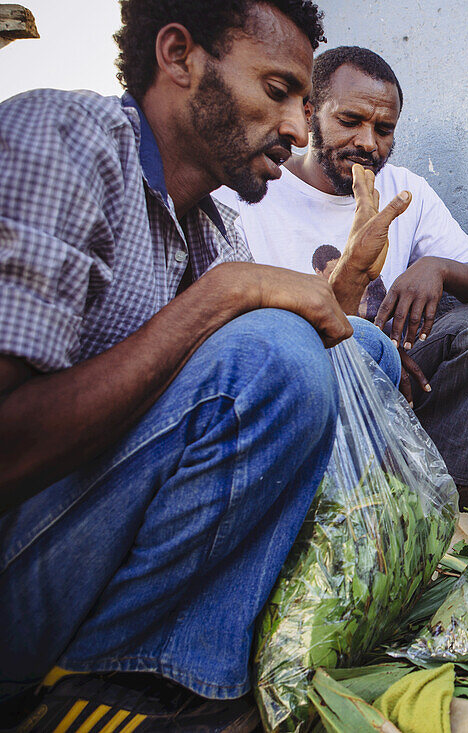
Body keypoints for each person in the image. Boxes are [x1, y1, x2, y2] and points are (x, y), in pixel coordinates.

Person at [0, 1, 410, 728]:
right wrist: (219, 299)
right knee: (273, 352)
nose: (294, 128)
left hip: (87, 546)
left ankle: (195, 667)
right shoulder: (64, 141)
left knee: (365, 349)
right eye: (277, 91)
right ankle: (103, 679)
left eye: (302, 104)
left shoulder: (211, 226)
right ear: (179, 55)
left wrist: (337, 284)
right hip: (21, 577)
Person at [215, 46, 468, 489]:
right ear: (310, 114)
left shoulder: (405, 189)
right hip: (303, 380)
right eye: (350, 121)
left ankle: (439, 488)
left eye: (384, 130)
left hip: (401, 379)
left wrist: (437, 268)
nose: (368, 143)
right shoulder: (254, 189)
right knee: (365, 343)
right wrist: (370, 345)